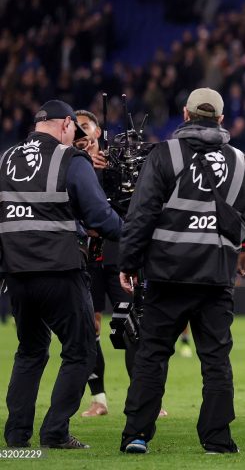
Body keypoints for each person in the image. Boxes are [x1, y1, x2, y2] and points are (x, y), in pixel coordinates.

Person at [118, 88, 245, 454]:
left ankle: (136, 434)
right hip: (216, 276)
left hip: (167, 273)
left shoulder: (164, 153)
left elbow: (142, 213)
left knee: (151, 355)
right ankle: (217, 439)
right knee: (216, 360)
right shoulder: (243, 161)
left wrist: (129, 262)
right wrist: (222, 240)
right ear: (221, 119)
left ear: (185, 114)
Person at [1, 100, 122, 449]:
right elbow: (100, 216)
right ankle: (54, 432)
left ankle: (16, 436)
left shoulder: (5, 158)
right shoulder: (71, 159)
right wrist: (132, 233)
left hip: (17, 273)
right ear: (67, 124)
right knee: (81, 349)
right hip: (59, 270)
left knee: (30, 350)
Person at [74, 110, 135, 418]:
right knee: (90, 327)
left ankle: (143, 395)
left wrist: (111, 170)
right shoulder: (70, 165)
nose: (81, 132)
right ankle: (99, 400)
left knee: (130, 324)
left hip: (118, 254)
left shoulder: (119, 162)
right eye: (76, 127)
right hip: (87, 257)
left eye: (86, 126)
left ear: (98, 131)